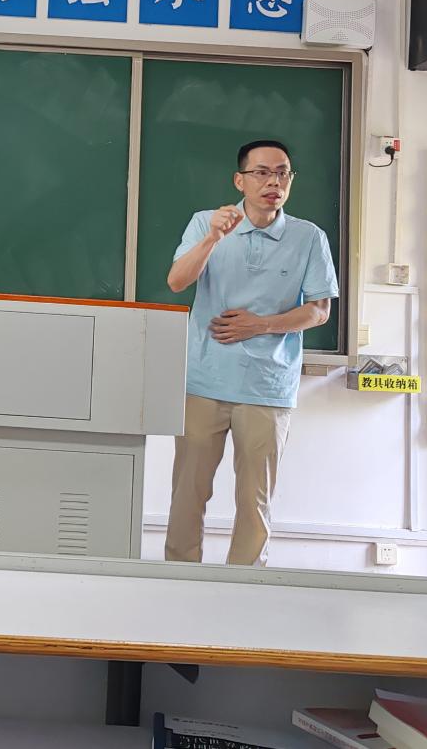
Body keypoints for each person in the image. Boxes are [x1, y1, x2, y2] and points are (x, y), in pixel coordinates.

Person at [163, 140, 339, 567]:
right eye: (261, 172)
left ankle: (246, 587)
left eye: (282, 173)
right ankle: (178, 580)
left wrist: (260, 325)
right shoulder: (206, 222)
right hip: (205, 379)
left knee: (254, 499)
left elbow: (319, 310)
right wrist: (212, 239)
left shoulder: (309, 237)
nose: (273, 181)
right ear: (239, 180)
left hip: (267, 385)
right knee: (188, 492)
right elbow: (176, 281)